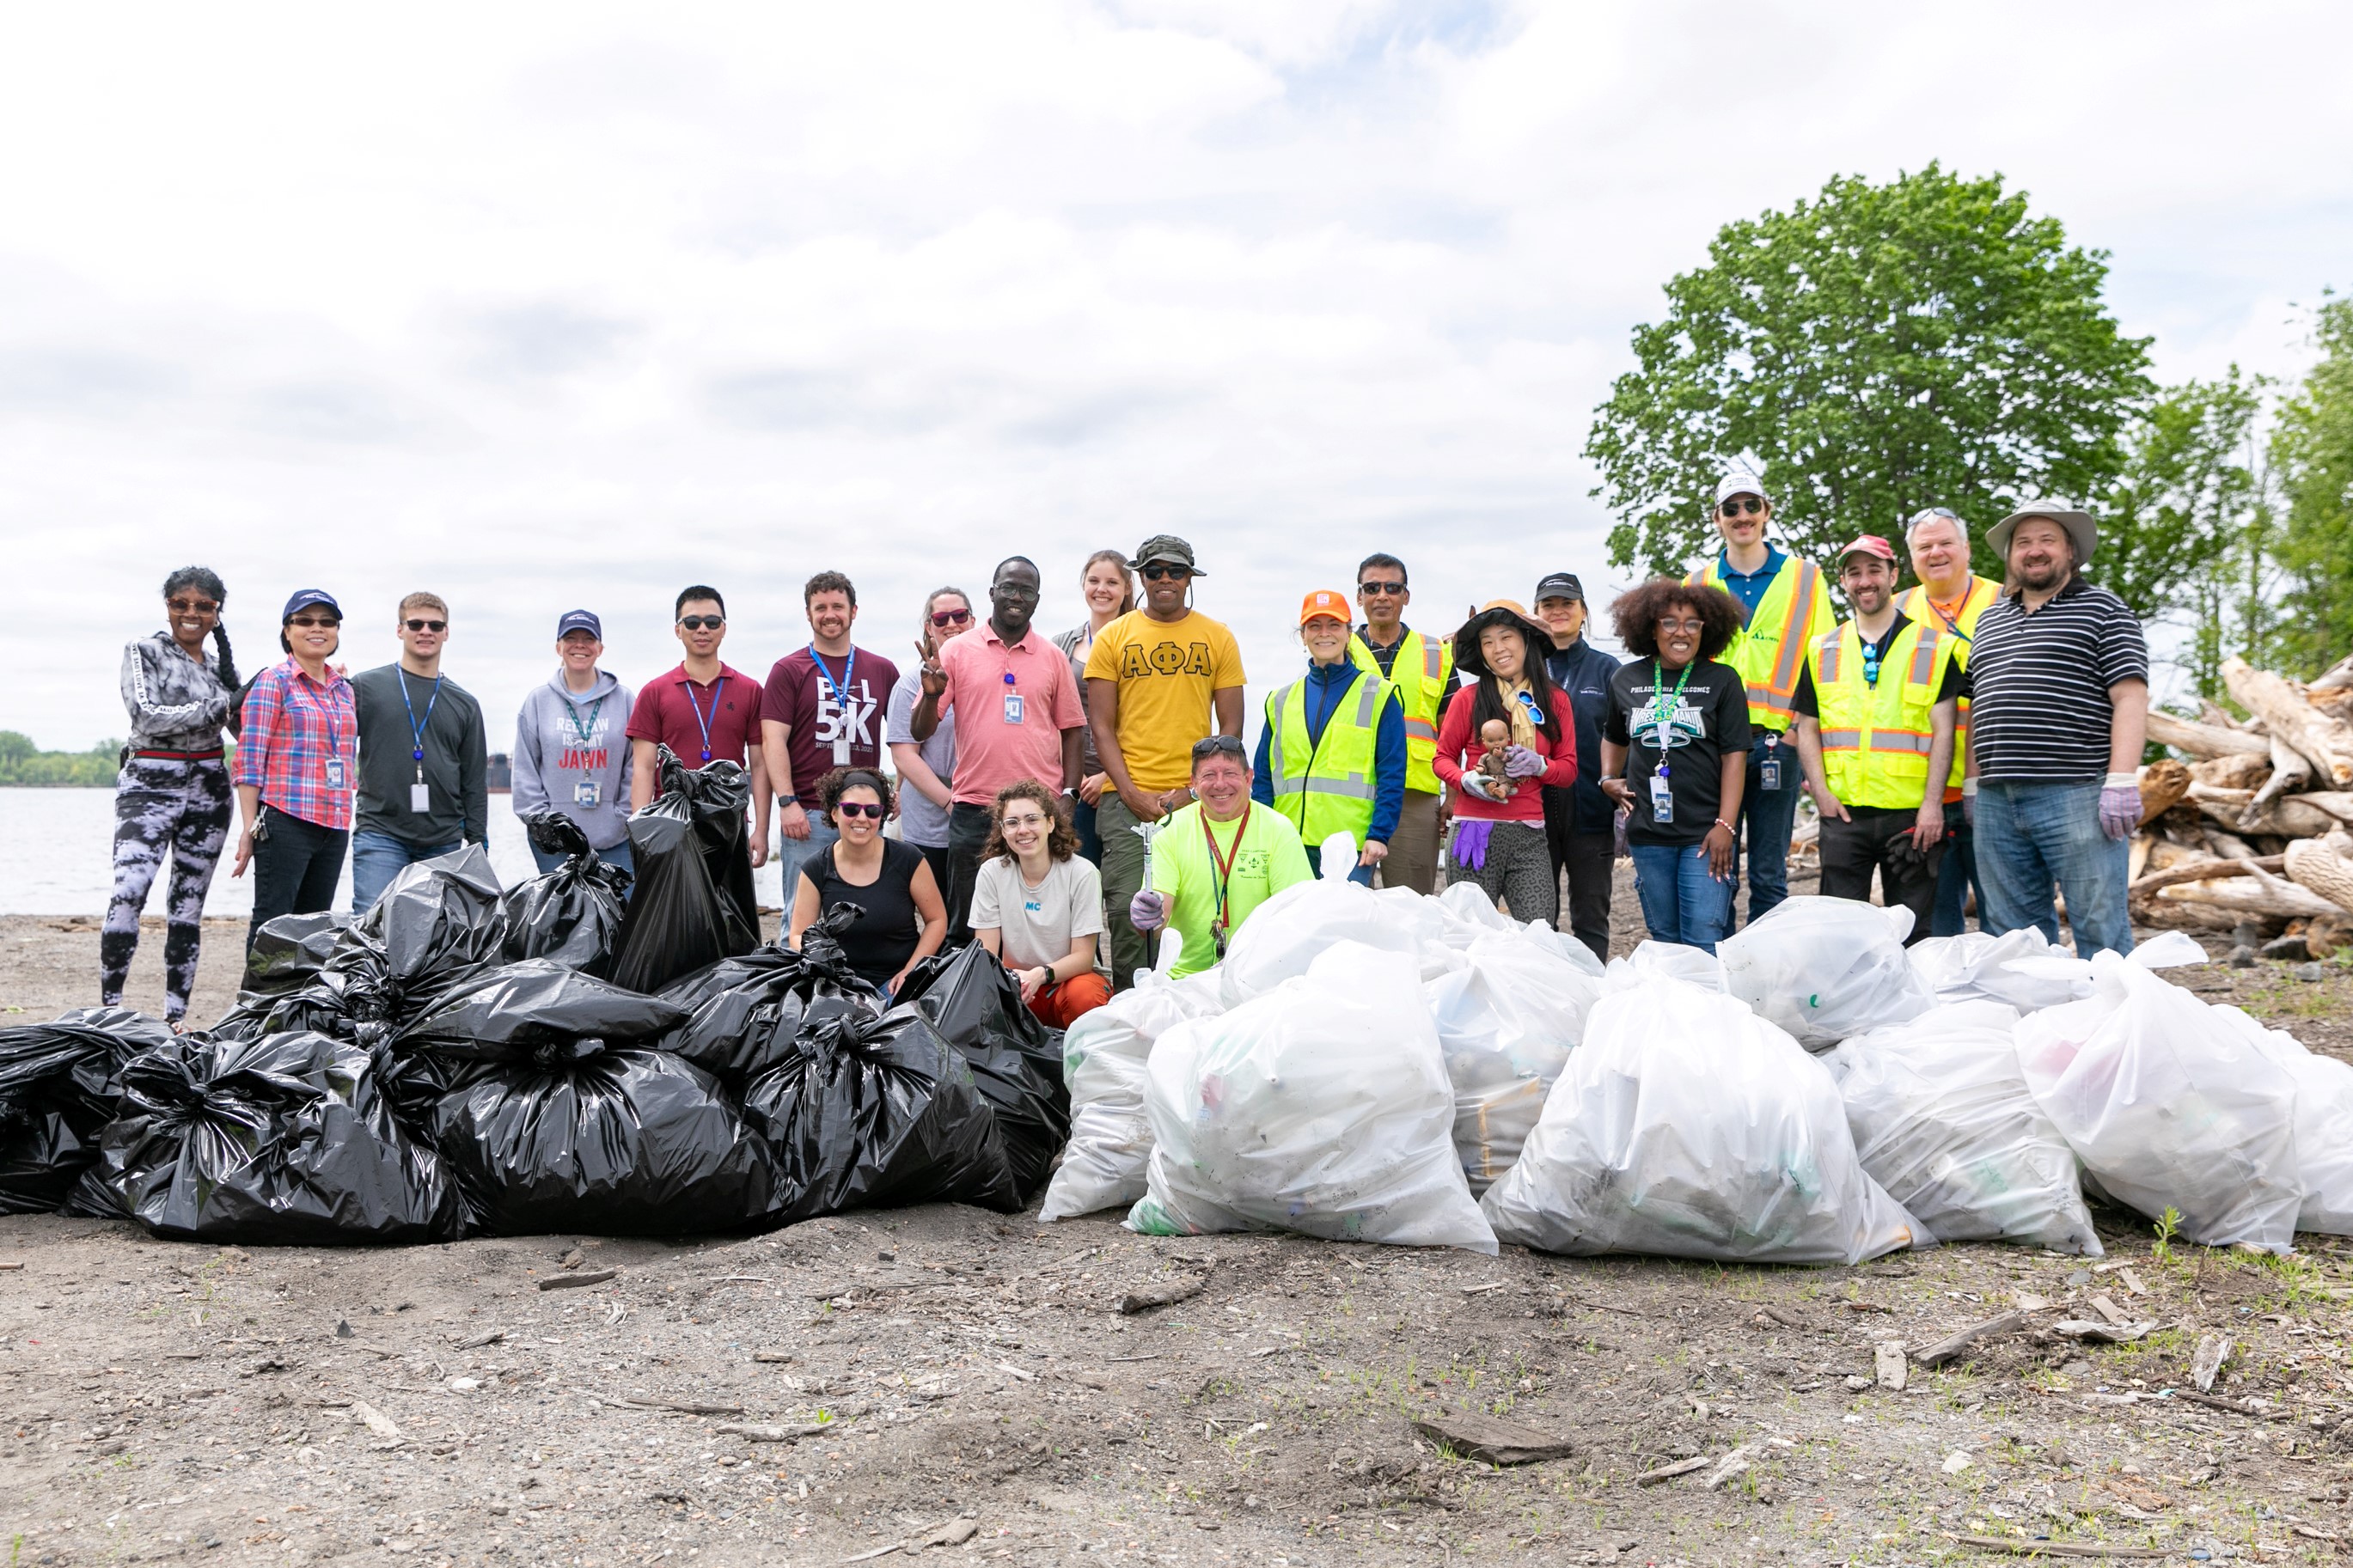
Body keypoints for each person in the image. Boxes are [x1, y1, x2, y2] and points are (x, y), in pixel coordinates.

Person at [1963, 503, 2149, 958]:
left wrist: (2122, 780)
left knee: (2099, 929)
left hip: (2076, 795)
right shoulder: (1989, 620)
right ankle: (2038, 1027)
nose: (2034, 551)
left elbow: (2130, 697)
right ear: (2011, 557)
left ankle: (2112, 1025)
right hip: (1996, 800)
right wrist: (1971, 782)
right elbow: (1977, 706)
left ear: (2071, 550)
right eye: (2023, 543)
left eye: (2047, 540)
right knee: (2012, 938)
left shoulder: (2104, 609)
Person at [1083, 536, 1245, 990]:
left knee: (1192, 915)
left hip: (1197, 804)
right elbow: (1101, 725)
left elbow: (1230, 727)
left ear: (1191, 578)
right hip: (1124, 803)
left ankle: (1189, 1023)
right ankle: (1130, 1026)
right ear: (1141, 577)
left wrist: (1193, 792)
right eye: (1154, 571)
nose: (1166, 579)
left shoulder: (1218, 636)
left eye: (1176, 571)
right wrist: (1131, 793)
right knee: (1129, 918)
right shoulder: (1114, 636)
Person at [1789, 538, 1965, 943]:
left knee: (1916, 932)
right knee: (1838, 934)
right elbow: (1808, 729)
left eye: (1874, 571)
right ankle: (1845, 1007)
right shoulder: (1822, 649)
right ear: (1844, 583)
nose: (1865, 581)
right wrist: (1821, 793)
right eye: (1855, 573)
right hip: (1844, 815)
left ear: (1893, 575)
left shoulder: (1934, 647)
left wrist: (1932, 806)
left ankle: (1914, 1008)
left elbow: (1944, 732)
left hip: (1911, 818)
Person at [909, 557, 1085, 943]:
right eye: (1008, 587)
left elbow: (1073, 730)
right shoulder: (956, 651)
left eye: (1026, 590)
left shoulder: (1054, 658)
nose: (1016, 597)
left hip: (1039, 810)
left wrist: (1069, 795)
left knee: (1042, 924)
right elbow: (920, 729)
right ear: (992, 592)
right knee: (967, 924)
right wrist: (931, 693)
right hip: (976, 808)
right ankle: (967, 1000)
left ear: (1037, 599)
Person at [1685, 468, 1833, 926]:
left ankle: (1767, 968)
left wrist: (1797, 733)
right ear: (1717, 519)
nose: (1742, 516)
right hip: (1713, 748)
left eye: (1751, 506)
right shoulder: (1698, 582)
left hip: (1777, 745)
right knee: (1717, 864)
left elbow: (1824, 658)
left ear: (1767, 513)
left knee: (1770, 872)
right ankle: (1722, 960)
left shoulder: (1807, 577)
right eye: (1731, 508)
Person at [103, 567, 240, 1025]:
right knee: (129, 892)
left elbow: (246, 727)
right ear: (168, 606)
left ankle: (175, 1018)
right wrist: (221, 707)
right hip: (148, 784)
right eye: (181, 603)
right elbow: (146, 712)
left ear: (217, 614)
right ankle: (109, 1011)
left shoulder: (222, 669)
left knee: (188, 909)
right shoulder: (143, 651)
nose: (191, 613)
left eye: (203, 606)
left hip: (210, 790)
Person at [1598, 581, 1752, 953]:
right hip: (1649, 835)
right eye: (1669, 622)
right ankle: (1673, 1012)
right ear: (1651, 628)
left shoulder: (1722, 680)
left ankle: (1710, 1012)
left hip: (1705, 834)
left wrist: (1726, 826)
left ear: (1707, 629)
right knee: (1666, 940)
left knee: (1703, 938)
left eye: (1692, 623)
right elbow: (1614, 736)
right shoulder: (1626, 678)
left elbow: (1735, 757)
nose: (1681, 632)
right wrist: (1607, 778)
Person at [1431, 601, 1581, 927]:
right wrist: (1465, 780)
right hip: (1474, 832)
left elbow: (1568, 770)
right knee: (1472, 937)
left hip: (1529, 834)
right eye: (1487, 642)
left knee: (1539, 932)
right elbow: (1441, 759)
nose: (1498, 649)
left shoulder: (1556, 701)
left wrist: (1540, 766)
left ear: (1526, 640)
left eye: (1506, 637)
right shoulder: (1467, 699)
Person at [1251, 589, 1405, 887]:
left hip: (1350, 849)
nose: (1324, 634)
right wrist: (1263, 835)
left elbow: (1392, 773)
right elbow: (1263, 780)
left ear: (1349, 633)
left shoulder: (1379, 695)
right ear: (1304, 635)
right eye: (1315, 626)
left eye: (1334, 625)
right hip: (1289, 843)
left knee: (1345, 930)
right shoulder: (1279, 700)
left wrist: (1379, 834)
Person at [231, 590, 358, 949]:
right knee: (273, 925)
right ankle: (258, 1005)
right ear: (287, 631)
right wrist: (248, 827)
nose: (316, 628)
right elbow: (249, 760)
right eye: (304, 621)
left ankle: (294, 1005)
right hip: (286, 822)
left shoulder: (344, 690)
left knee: (314, 930)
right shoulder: (274, 682)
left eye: (326, 622)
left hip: (334, 825)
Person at [1898, 507, 2003, 937]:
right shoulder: (1896, 610)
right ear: (1911, 557)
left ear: (1967, 549)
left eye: (1946, 543)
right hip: (1923, 789)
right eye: (1925, 546)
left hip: (1994, 783)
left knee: (2007, 911)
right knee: (1934, 920)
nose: (1936, 552)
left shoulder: (2006, 600)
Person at [1127, 736, 1312, 979]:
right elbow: (1156, 926)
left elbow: (1296, 917)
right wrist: (1147, 919)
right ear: (1193, 783)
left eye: (1230, 773)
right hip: (1184, 978)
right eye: (1209, 775)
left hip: (1257, 975)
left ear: (1249, 778)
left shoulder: (1278, 829)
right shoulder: (1169, 829)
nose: (1220, 784)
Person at [349, 593, 488, 912]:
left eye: (435, 625)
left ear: (446, 633)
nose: (426, 631)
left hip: (443, 840)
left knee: (432, 937)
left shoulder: (465, 703)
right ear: (400, 630)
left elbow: (474, 777)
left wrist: (479, 841)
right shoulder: (365, 688)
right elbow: (327, 737)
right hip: (380, 832)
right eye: (416, 624)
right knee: (371, 926)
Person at [762, 571, 900, 898]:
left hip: (865, 812)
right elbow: (772, 740)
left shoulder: (882, 669)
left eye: (837, 606)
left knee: (864, 908)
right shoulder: (788, 670)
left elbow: (902, 738)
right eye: (820, 607)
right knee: (801, 914)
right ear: (808, 614)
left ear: (853, 611)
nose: (829, 615)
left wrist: (898, 792)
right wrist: (787, 803)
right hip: (807, 814)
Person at [1347, 553, 1454, 895]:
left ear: (1406, 595)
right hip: (1349, 793)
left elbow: (1453, 730)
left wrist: (1453, 795)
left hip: (1415, 794)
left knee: (1413, 905)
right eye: (1372, 587)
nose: (1382, 596)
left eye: (1392, 587)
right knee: (1345, 901)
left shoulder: (1436, 652)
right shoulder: (1338, 648)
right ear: (1359, 596)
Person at [786, 766, 945, 997]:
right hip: (838, 983)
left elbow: (937, 920)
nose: (862, 818)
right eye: (851, 809)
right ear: (834, 813)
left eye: (872, 810)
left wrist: (911, 970)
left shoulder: (908, 859)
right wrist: (821, 959)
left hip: (898, 980)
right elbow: (798, 934)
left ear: (881, 815)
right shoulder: (817, 867)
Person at [1531, 570, 1623, 962]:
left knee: (1590, 915)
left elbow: (1625, 739)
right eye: (1548, 605)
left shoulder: (1608, 670)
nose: (1558, 612)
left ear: (1583, 611)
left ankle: (1593, 999)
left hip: (1591, 809)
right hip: (1533, 812)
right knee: (1536, 917)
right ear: (1535, 614)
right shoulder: (1522, 668)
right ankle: (1545, 994)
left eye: (1567, 604)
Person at [969, 779, 1112, 1028]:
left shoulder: (1082, 873)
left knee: (1085, 996)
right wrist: (1014, 982)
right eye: (1012, 823)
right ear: (1003, 831)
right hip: (1017, 984)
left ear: (1050, 823)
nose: (1022, 830)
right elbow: (986, 954)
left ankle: (1081, 1061)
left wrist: (1041, 974)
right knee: (976, 994)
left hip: (1067, 983)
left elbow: (1084, 958)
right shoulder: (992, 872)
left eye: (1032, 819)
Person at [511, 609, 634, 876]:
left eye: (589, 639)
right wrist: (544, 823)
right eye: (571, 638)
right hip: (555, 846)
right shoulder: (538, 702)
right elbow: (525, 769)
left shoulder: (625, 700)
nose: (580, 645)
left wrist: (622, 816)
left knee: (622, 917)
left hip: (616, 840)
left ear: (600, 648)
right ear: (559, 647)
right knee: (564, 918)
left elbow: (635, 765)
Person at [1051, 550, 1136, 866]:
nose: (1102, 589)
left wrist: (1108, 777)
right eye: (1094, 581)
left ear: (1128, 587)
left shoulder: (1140, 641)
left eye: (1112, 582)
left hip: (1123, 783)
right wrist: (1072, 779)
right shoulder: (1061, 645)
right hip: (1071, 784)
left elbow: (1144, 718)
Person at [887, 586, 975, 892]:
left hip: (980, 815)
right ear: (928, 627)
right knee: (937, 914)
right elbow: (904, 756)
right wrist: (950, 802)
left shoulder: (988, 677)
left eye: (959, 615)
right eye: (941, 618)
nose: (951, 624)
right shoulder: (910, 684)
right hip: (930, 822)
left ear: (973, 621)